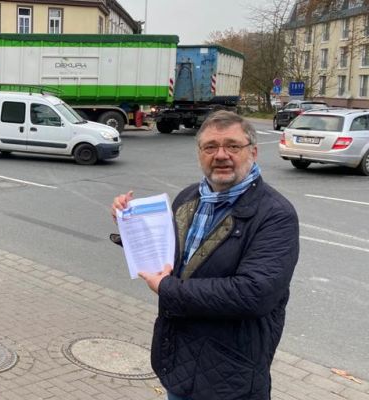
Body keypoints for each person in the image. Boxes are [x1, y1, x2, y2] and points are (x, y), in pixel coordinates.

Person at [110, 111, 299, 400]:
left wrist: (168, 288)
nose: (221, 155)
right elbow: (171, 256)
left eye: (233, 146)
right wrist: (130, 225)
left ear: (254, 152)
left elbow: (254, 293)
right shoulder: (189, 198)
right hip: (179, 363)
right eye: (210, 147)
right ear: (200, 153)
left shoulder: (275, 215)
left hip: (230, 375)